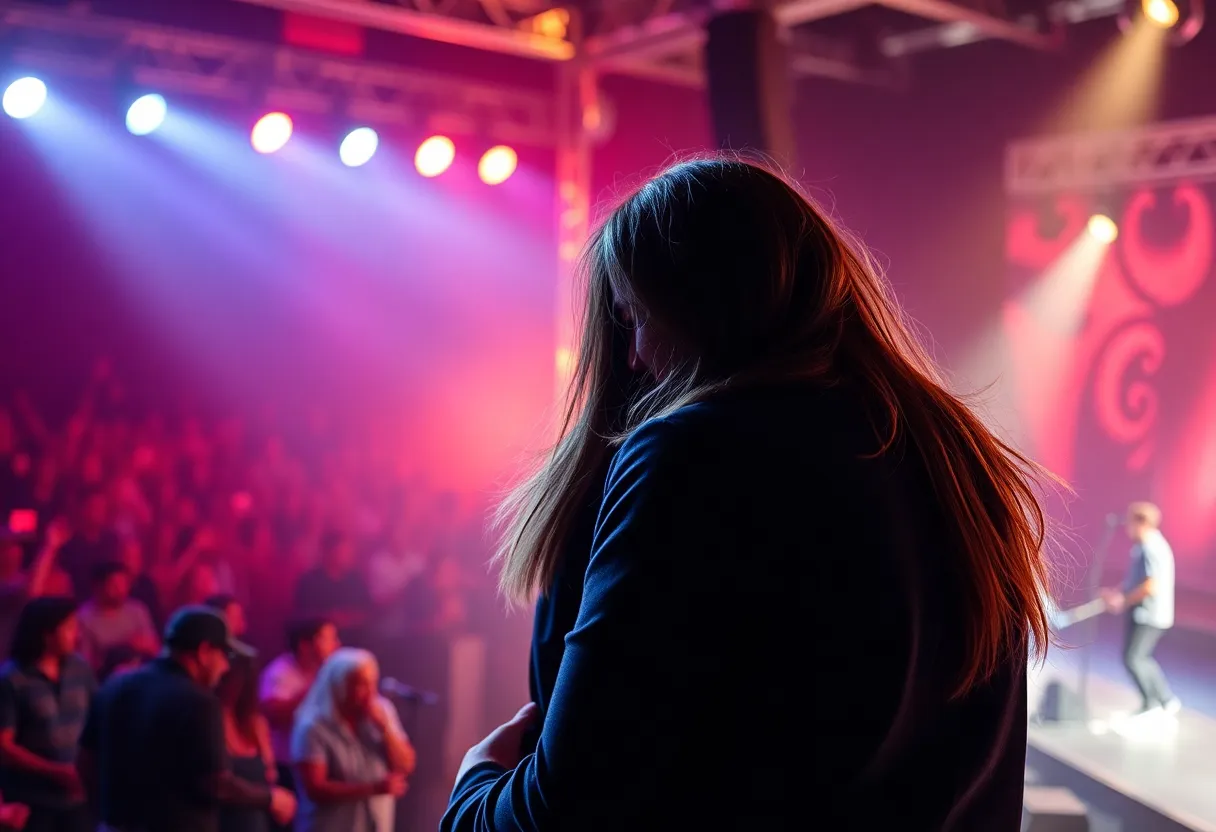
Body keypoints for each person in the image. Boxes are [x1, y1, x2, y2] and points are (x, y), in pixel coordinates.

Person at [443, 158, 1054, 831]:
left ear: (700, 309)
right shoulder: (959, 459)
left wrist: (475, 789)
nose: (634, 359)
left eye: (633, 319)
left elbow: (566, 813)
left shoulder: (693, 453)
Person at [77, 606, 297, 832]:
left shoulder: (114, 686)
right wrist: (270, 799)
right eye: (223, 655)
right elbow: (216, 784)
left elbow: (85, 763)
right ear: (203, 651)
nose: (225, 667)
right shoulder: (199, 702)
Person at [291, 648, 415, 832]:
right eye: (361, 685)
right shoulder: (313, 724)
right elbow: (315, 788)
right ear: (339, 686)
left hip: (375, 824)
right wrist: (372, 788)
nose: (370, 693)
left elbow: (405, 765)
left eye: (373, 683)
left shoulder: (382, 712)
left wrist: (385, 730)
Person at [0, 598, 95, 832]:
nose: (77, 635)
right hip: (32, 803)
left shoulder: (79, 668)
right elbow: (3, 747)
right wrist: (56, 772)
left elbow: (97, 718)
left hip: (78, 802)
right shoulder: (12, 679)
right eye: (70, 628)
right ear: (47, 634)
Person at [1102, 501, 1179, 716]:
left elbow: (1150, 586)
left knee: (1133, 658)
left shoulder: (1151, 547)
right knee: (1141, 658)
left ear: (1141, 522)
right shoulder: (1144, 546)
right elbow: (1136, 581)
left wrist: (1123, 601)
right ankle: (1165, 700)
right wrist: (1118, 594)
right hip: (1148, 613)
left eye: (1130, 522)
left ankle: (1152, 703)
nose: (1127, 527)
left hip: (1149, 614)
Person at [258, 617, 341, 789]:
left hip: (323, 763)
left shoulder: (331, 672)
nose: (337, 645)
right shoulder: (278, 673)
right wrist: (320, 680)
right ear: (305, 645)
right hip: (288, 765)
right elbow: (276, 717)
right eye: (329, 639)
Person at [217, 657, 276, 832]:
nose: (234, 683)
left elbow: (270, 777)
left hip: (255, 822)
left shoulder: (255, 724)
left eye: (241, 675)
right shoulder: (208, 720)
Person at [76, 562, 159, 671]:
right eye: (115, 585)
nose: (121, 590)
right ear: (98, 587)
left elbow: (155, 648)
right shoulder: (84, 618)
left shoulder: (137, 610)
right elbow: (85, 663)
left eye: (124, 585)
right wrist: (121, 648)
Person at [293, 532, 370, 640]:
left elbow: (366, 612)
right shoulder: (310, 581)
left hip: (352, 641)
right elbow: (302, 615)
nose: (349, 555)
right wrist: (328, 618)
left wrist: (348, 618)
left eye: (349, 551)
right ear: (329, 552)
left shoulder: (355, 580)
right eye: (344, 551)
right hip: (318, 642)